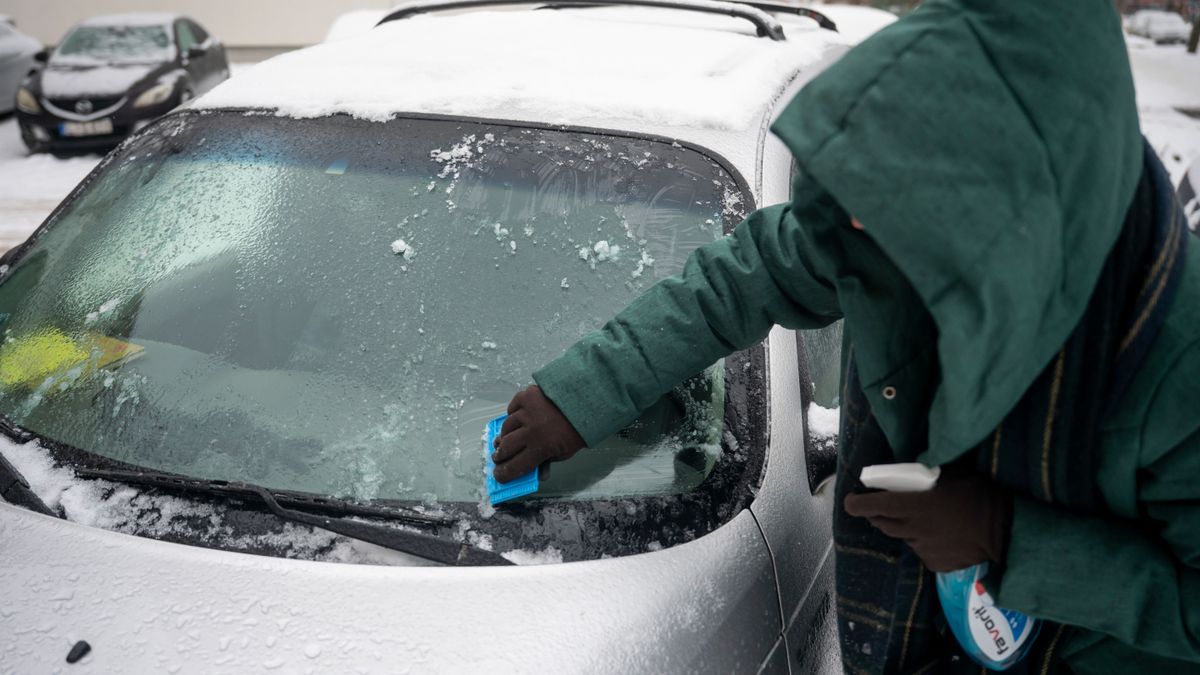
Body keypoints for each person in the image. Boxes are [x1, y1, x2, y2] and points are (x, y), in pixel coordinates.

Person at [491, 0, 1200, 672]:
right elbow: (741, 279)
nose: (853, 225)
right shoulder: (879, 235)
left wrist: (1013, 539)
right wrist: (586, 393)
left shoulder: (1174, 359)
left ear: (991, 226)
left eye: (886, 208)